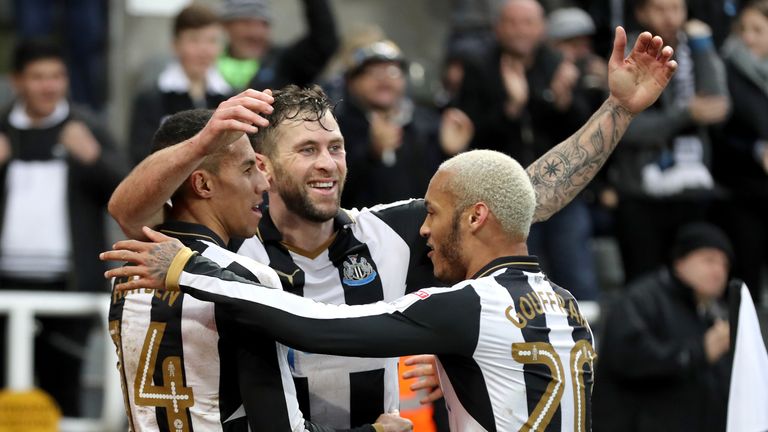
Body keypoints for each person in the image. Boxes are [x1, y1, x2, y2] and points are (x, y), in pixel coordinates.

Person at [107, 27, 678, 428]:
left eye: (336, 146)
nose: (329, 162)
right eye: (307, 149)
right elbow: (129, 211)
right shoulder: (233, 250)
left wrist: (618, 111)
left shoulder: (390, 233)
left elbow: (523, 195)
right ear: (263, 166)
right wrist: (205, 141)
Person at [106, 149, 599, 431]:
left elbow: (320, 326)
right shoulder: (570, 308)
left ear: (475, 217)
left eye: (432, 212)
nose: (423, 231)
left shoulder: (467, 308)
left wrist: (190, 270)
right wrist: (453, 360)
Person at [109, 108, 410, 432]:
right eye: (248, 169)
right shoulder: (245, 277)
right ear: (203, 184)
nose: (263, 182)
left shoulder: (132, 266)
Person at [0, 38, 127, 416]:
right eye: (38, 77)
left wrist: (94, 159)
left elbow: (132, 196)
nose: (49, 86)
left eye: (57, 76)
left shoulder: (87, 128)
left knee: (64, 395)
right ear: (17, 81)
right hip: (5, 288)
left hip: (69, 286)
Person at [456, 0, 598, 300]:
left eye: (528, 23)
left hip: (560, 185)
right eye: (513, 23)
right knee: (524, 277)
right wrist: (511, 108)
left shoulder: (557, 63)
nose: (520, 31)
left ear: (542, 28)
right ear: (498, 28)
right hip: (503, 193)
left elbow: (584, 129)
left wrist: (561, 102)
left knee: (576, 272)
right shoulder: (479, 66)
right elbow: (470, 133)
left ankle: (586, 337)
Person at [607, 0, 730, 282]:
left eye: (677, 9)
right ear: (641, 12)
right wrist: (685, 115)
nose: (671, 17)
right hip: (640, 193)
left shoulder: (694, 49)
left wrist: (702, 46)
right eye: (661, 9)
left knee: (691, 284)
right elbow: (625, 127)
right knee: (643, 283)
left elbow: (718, 106)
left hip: (693, 188)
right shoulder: (626, 55)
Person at [592, 222, 733, 431]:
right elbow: (628, 359)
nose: (718, 271)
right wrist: (699, 352)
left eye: (725, 265)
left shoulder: (715, 314)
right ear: (680, 261)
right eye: (709, 260)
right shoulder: (642, 299)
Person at [335, 38, 473, 209]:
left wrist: (452, 154)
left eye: (392, 71)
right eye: (372, 72)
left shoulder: (427, 124)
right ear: (351, 82)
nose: (384, 79)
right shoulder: (336, 128)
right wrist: (371, 154)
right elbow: (335, 192)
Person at [713, 0, 768, 305]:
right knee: (747, 282)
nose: (748, 38)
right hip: (742, 190)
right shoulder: (727, 68)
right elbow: (721, 132)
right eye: (743, 29)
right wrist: (756, 149)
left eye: (758, 30)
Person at [129, 4, 231, 165]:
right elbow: (141, 157)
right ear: (175, 45)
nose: (204, 50)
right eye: (194, 40)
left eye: (212, 41)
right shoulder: (151, 99)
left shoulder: (229, 97)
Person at [217, 0, 339, 91]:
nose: (256, 33)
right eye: (246, 23)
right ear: (226, 26)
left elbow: (323, 42)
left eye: (263, 24)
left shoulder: (283, 63)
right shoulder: (208, 65)